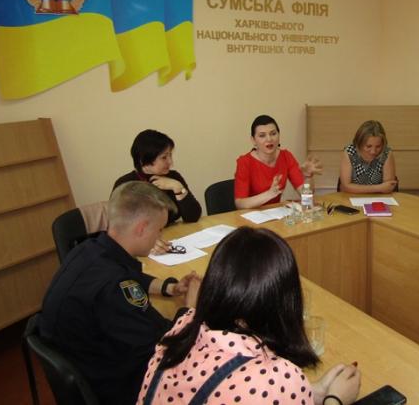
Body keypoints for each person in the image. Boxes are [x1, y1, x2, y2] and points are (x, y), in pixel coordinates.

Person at [137, 226, 361, 405]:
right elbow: (260, 389)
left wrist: (312, 391)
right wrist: (335, 400)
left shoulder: (183, 325)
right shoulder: (274, 378)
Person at [38, 182, 201, 405]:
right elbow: (167, 345)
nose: (160, 236)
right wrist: (190, 308)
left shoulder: (90, 249)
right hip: (116, 384)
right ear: (141, 228)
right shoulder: (113, 288)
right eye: (159, 229)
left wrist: (170, 287)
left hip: (86, 355)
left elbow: (130, 276)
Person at [113, 129, 201, 227]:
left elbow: (193, 217)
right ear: (143, 160)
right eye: (164, 157)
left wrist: (178, 188)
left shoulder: (174, 177)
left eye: (170, 155)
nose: (171, 162)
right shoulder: (125, 184)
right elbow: (121, 227)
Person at [234, 115, 322, 209]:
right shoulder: (244, 162)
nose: (269, 139)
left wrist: (307, 177)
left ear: (279, 135)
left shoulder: (286, 156)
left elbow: (306, 197)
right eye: (262, 135)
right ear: (253, 140)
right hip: (250, 214)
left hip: (276, 214)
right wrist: (269, 194)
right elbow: (240, 204)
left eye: (273, 133)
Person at [339, 120, 397, 194]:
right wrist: (379, 188)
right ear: (359, 143)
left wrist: (356, 188)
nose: (373, 151)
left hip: (379, 198)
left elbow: (388, 187)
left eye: (378, 146)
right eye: (368, 146)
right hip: (351, 197)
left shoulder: (386, 153)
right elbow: (346, 187)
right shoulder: (350, 152)